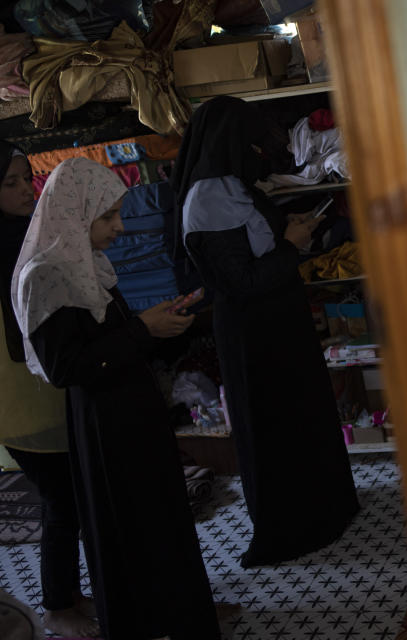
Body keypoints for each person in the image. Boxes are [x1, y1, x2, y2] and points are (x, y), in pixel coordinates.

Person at [11, 157, 221, 640]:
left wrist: (154, 321)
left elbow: (107, 338)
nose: (120, 227)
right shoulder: (45, 276)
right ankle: (147, 621)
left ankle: (176, 612)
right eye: (108, 216)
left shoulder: (87, 264)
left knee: (157, 516)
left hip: (130, 411)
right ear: (75, 213)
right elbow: (68, 368)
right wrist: (143, 330)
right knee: (129, 523)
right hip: (105, 422)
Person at [170, 96, 359, 568]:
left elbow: (254, 245)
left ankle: (324, 511)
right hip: (256, 334)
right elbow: (239, 283)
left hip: (279, 323)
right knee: (275, 426)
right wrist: (291, 247)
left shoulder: (231, 184)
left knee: (301, 416)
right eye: (252, 144)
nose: (258, 154)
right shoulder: (209, 198)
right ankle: (291, 527)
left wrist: (286, 230)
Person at [0, 141, 98, 637]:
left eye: (26, 178)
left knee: (70, 498)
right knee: (62, 502)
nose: (25, 190)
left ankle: (69, 596)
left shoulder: (26, 236)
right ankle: (58, 608)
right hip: (22, 397)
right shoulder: (13, 247)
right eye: (10, 182)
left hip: (46, 386)